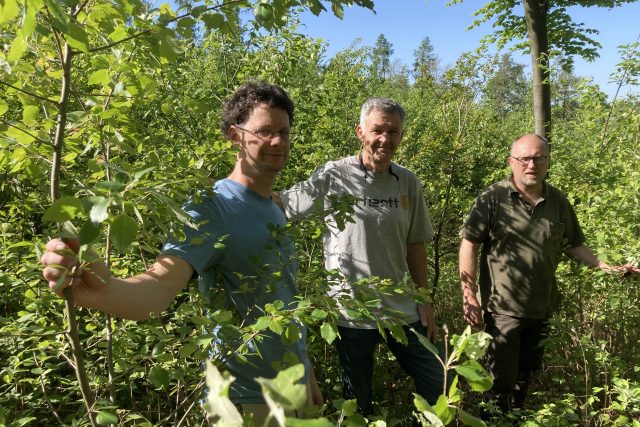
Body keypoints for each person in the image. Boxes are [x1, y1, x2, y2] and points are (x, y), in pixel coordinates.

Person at [40, 81, 322, 425]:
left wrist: (305, 370)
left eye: (283, 131)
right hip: (246, 400)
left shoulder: (274, 205)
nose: (277, 142)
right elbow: (159, 286)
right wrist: (105, 289)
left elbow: (283, 297)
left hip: (292, 388)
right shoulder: (211, 207)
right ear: (235, 136)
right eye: (264, 132)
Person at [277, 98, 445, 418]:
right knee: (358, 401)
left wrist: (424, 299)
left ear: (401, 135)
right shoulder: (334, 175)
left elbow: (415, 244)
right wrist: (243, 190)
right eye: (377, 130)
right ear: (360, 132)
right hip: (351, 310)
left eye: (393, 131)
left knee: (436, 381)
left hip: (401, 307)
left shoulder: (407, 181)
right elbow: (285, 207)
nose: (385, 138)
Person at [458, 133, 640, 413]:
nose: (532, 164)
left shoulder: (557, 200)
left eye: (539, 158)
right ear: (512, 162)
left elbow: (574, 245)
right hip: (502, 310)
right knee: (498, 381)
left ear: (547, 161)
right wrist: (469, 295)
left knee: (524, 376)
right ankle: (494, 420)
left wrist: (608, 268)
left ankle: (515, 418)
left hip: (542, 308)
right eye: (524, 158)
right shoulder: (493, 198)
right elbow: (469, 244)